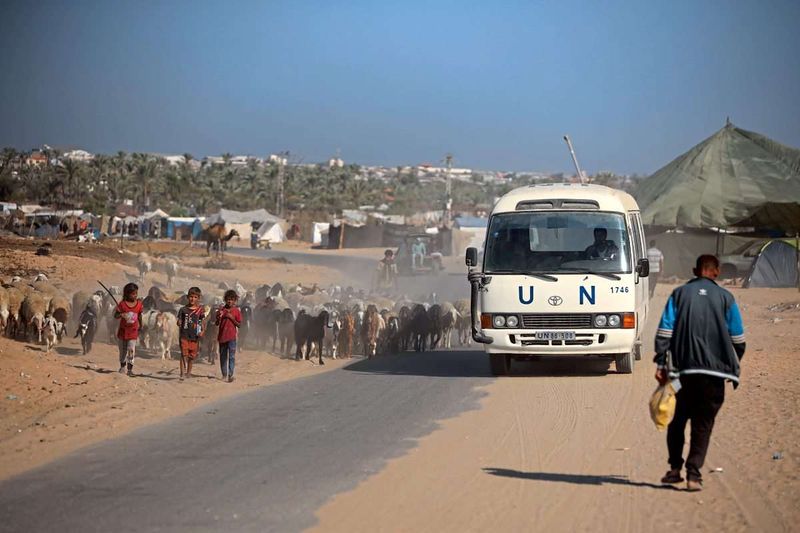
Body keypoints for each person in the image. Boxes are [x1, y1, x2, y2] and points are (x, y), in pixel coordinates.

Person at [654, 254, 746, 492]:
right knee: (702, 426)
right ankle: (693, 476)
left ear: (695, 270)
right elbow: (738, 339)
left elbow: (665, 332)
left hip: (683, 372)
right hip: (714, 376)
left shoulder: (679, 294)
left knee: (677, 423)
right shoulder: (727, 298)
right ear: (716, 272)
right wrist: (731, 363)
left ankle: (675, 469)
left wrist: (661, 363)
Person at [114, 283, 143, 377]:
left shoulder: (139, 304)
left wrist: (141, 326)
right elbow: (115, 315)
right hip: (123, 332)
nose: (135, 296)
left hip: (133, 332)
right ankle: (122, 366)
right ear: (127, 294)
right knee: (122, 350)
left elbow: (139, 315)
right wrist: (121, 315)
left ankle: (130, 369)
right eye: (133, 294)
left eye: (136, 294)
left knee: (131, 350)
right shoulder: (122, 305)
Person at [177, 287, 205, 380]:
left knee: (191, 356)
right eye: (191, 297)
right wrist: (179, 322)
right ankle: (182, 373)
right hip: (184, 335)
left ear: (199, 298)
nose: (193, 299)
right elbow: (179, 320)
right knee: (183, 354)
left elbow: (202, 322)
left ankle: (188, 372)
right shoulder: (183, 309)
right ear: (187, 297)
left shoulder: (200, 310)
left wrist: (202, 331)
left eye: (195, 297)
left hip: (194, 336)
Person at [215, 289, 242, 383]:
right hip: (222, 337)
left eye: (232, 299)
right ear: (225, 300)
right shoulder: (221, 310)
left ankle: (231, 375)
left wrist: (232, 318)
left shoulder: (236, 311)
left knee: (231, 356)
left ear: (235, 300)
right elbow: (217, 323)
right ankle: (224, 374)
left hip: (232, 338)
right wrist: (218, 317)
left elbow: (239, 325)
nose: (230, 301)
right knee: (223, 357)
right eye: (228, 299)